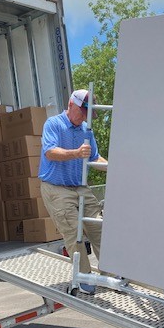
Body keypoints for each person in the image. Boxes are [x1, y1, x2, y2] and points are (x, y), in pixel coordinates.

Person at [38, 89, 107, 295]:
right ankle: (84, 279)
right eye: (83, 112)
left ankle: (111, 275)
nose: (86, 117)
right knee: (74, 236)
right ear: (71, 105)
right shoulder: (54, 124)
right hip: (57, 188)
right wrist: (76, 153)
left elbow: (94, 157)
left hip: (80, 187)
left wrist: (114, 168)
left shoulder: (87, 130)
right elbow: (50, 152)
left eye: (89, 113)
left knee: (99, 229)